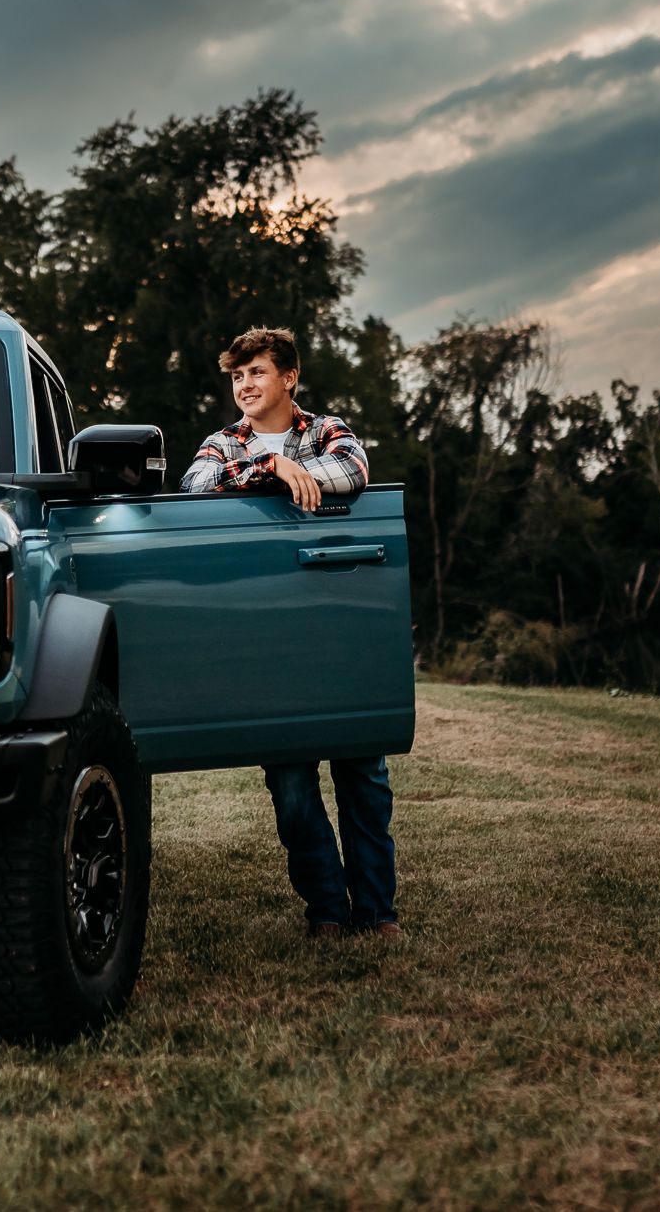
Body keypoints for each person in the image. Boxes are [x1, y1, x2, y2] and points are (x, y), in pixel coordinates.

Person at [179, 326, 400, 939]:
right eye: (237, 376)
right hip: (268, 629)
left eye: (256, 372)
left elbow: (353, 469)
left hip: (339, 622)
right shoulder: (221, 443)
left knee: (363, 775)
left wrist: (281, 466)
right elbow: (196, 489)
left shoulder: (327, 430)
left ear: (289, 377)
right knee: (292, 784)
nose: (245, 385)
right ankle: (327, 910)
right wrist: (270, 467)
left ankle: (377, 913)